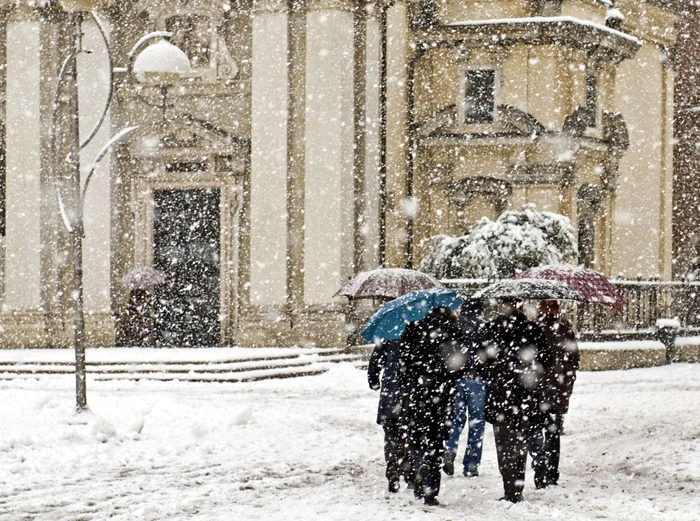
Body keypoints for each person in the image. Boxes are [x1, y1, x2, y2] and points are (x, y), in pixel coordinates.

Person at [481, 298, 549, 503]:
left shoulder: (491, 329)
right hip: (525, 395)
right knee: (521, 441)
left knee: (504, 442)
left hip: (500, 395)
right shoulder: (532, 329)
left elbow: (481, 364)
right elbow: (546, 360)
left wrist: (496, 373)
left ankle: (509, 484)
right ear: (520, 306)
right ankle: (517, 484)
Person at [398, 307, 468, 506]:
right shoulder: (452, 332)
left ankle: (418, 467)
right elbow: (459, 365)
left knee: (416, 436)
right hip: (441, 395)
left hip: (417, 395)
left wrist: (410, 385)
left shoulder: (413, 329)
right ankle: (430, 488)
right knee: (436, 440)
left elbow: (402, 365)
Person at [528, 299, 580, 488]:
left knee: (534, 431)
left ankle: (539, 462)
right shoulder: (565, 331)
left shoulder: (532, 330)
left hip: (535, 391)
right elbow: (574, 362)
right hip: (557, 391)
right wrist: (566, 386)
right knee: (553, 433)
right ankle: (552, 472)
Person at [444, 300, 487, 478]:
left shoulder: (455, 327)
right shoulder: (484, 328)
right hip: (477, 380)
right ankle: (471, 464)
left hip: (456, 379)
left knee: (456, 419)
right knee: (476, 423)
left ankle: (450, 449)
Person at [367, 338, 410, 493]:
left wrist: (373, 379)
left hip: (390, 392)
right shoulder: (417, 331)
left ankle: (393, 469)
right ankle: (407, 468)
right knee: (408, 433)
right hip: (409, 392)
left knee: (391, 433)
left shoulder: (389, 335)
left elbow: (376, 360)